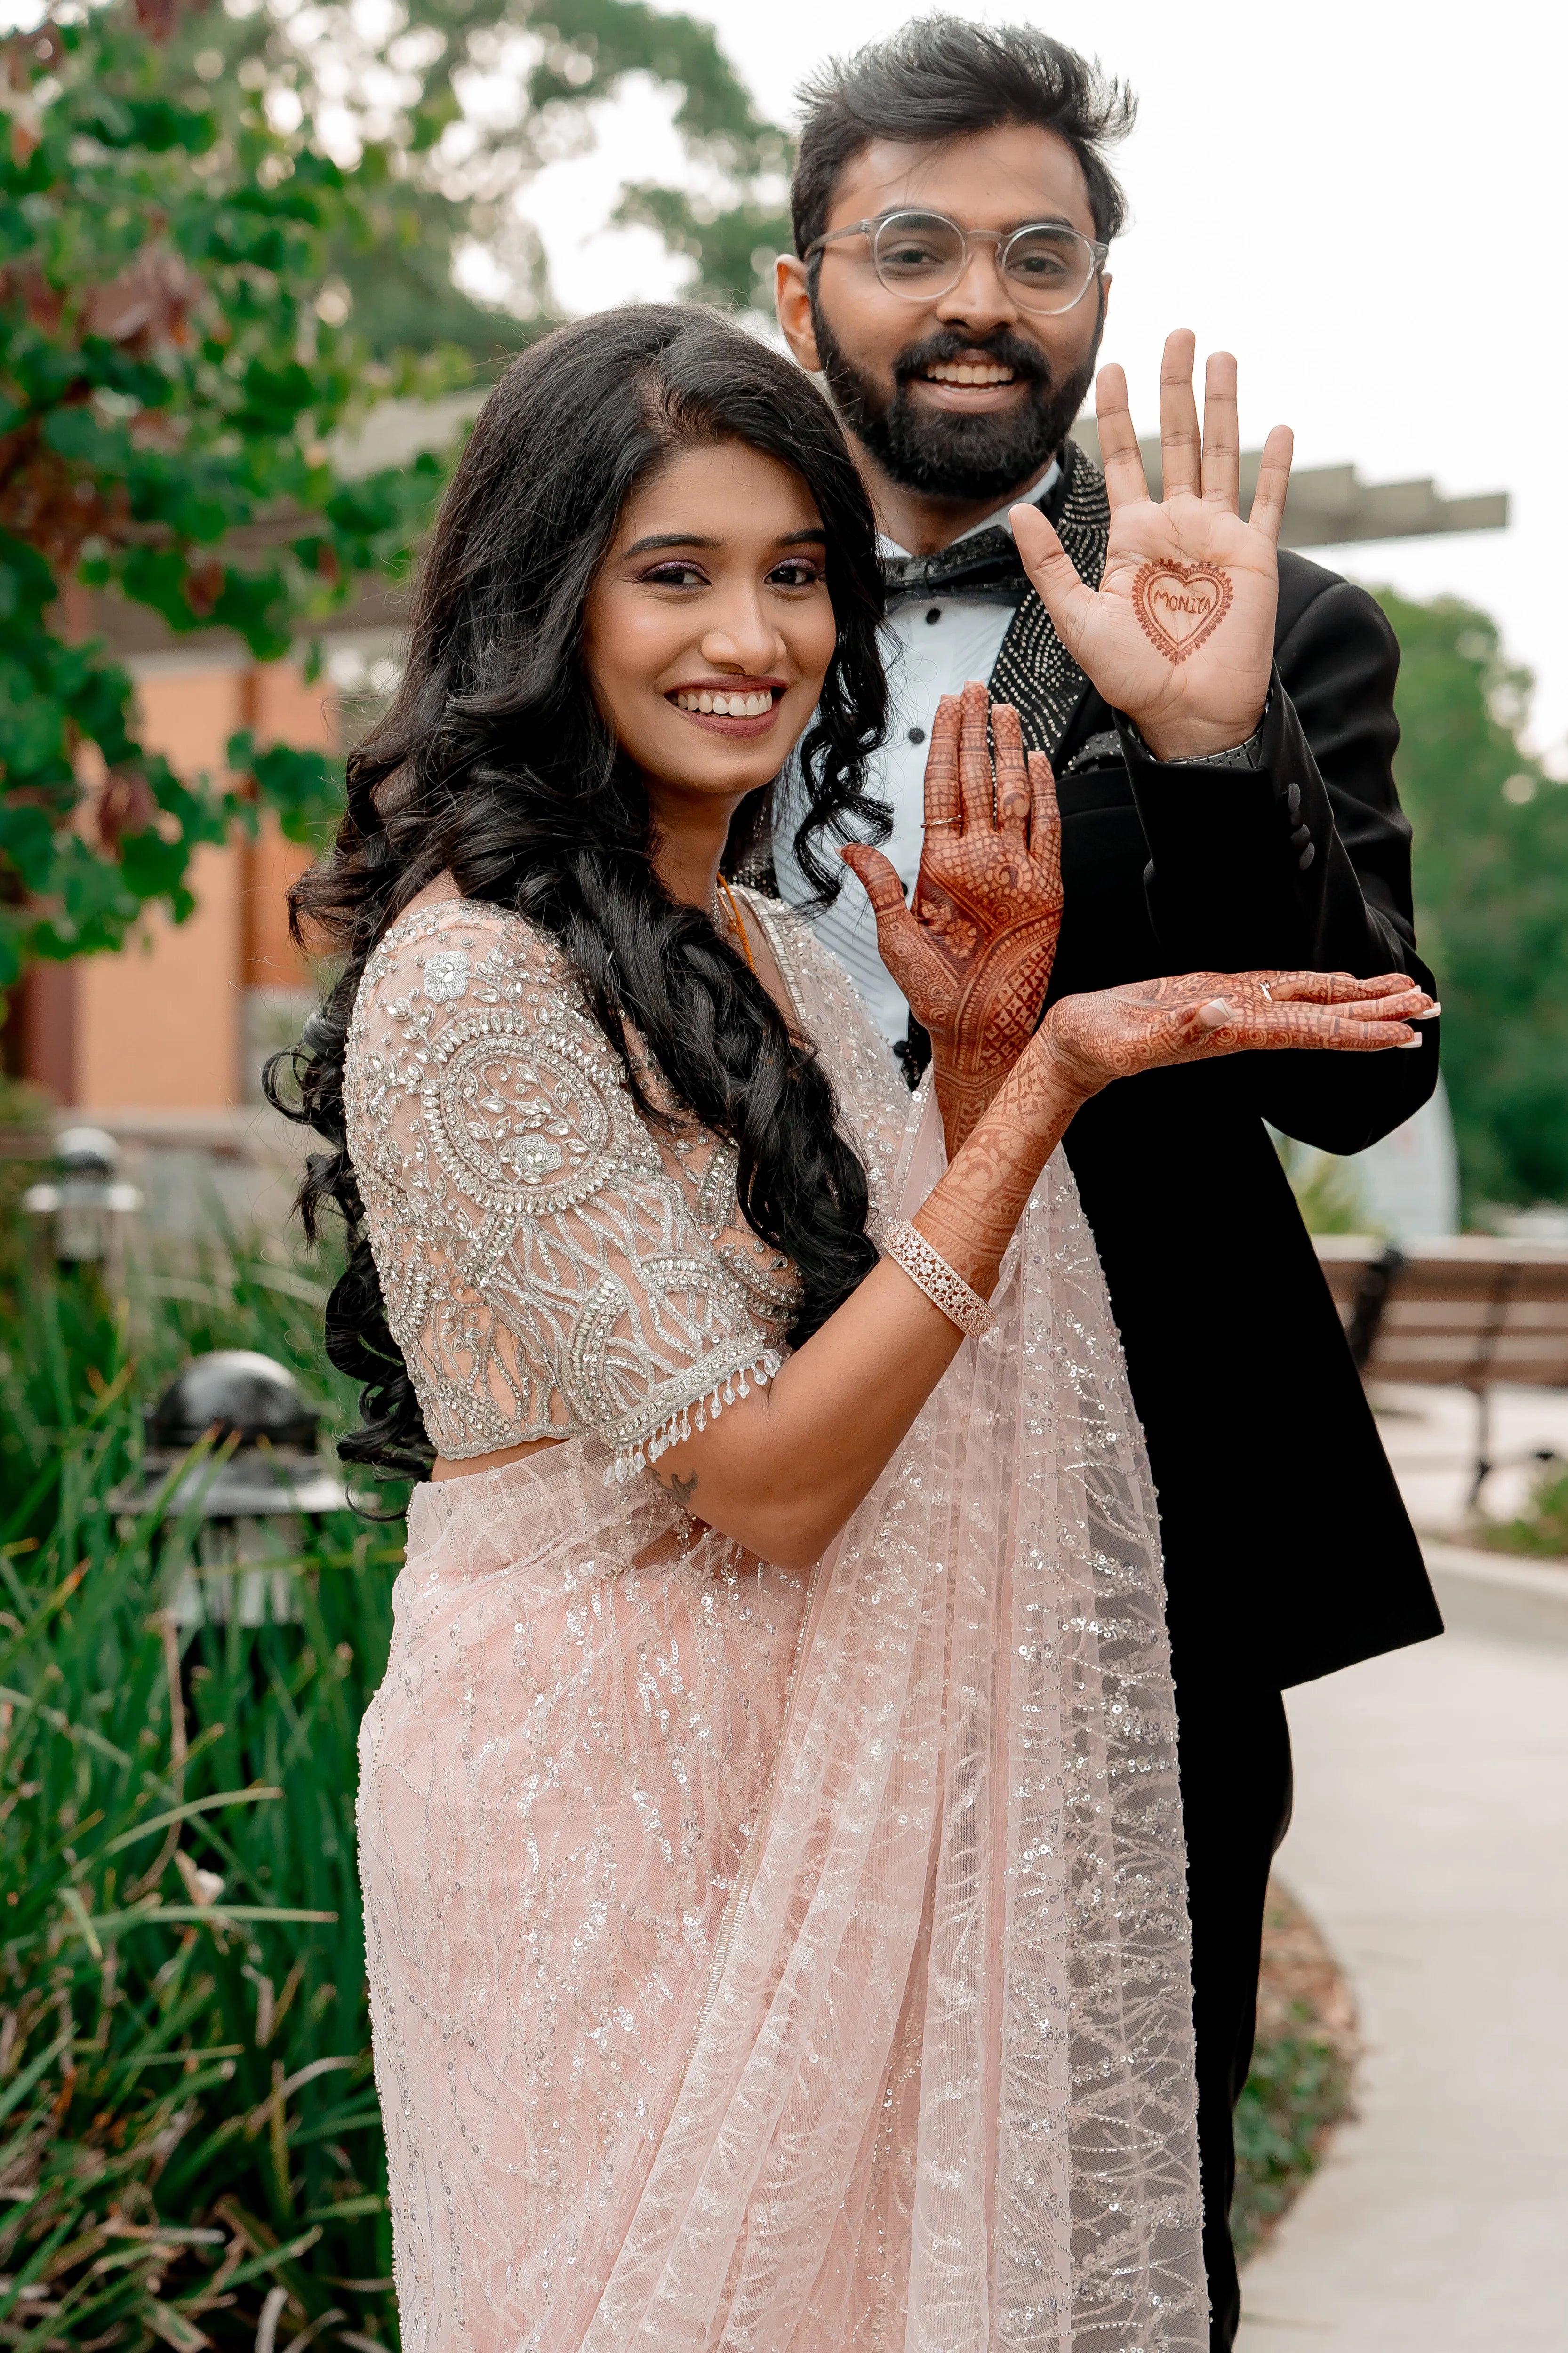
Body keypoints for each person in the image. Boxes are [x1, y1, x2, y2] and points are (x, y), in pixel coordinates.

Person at [270, 304, 1434, 2350]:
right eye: (675, 572)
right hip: (596, 1811)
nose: (754, 633)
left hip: (810, 1785)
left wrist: (974, 1061)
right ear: (544, 602)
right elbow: (774, 1479)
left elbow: (941, 1350)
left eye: (793, 571)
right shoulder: (473, 982)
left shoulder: (779, 957)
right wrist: (1052, 1078)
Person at [769, 20, 1445, 2345]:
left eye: (1036, 253)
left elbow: (1359, 1093)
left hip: (1139, 1524)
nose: (981, 296)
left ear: (1095, 298)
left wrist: (1197, 736)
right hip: (748, 1492)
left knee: (1114, 2180)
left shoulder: (1281, 626)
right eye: (917, 245)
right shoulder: (674, 605)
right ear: (800, 298)